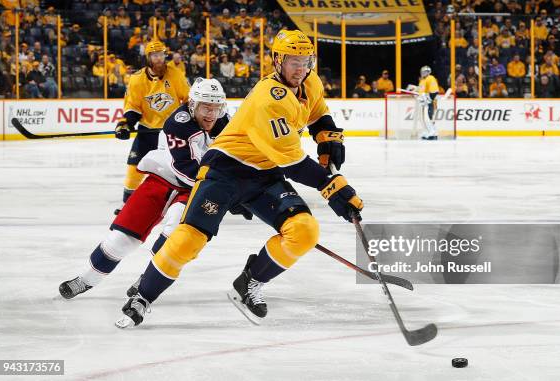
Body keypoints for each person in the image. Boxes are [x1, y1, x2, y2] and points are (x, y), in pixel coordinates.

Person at [116, 29, 362, 328]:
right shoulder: (267, 99)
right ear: (277, 61)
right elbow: (295, 163)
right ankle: (142, 295)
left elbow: (317, 112)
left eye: (306, 60)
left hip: (265, 173)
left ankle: (250, 282)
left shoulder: (309, 81)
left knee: (304, 232)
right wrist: (333, 186)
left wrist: (326, 134)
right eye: (293, 61)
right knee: (188, 241)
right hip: (226, 170)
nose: (301, 68)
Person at [59, 78, 229, 299]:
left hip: (195, 190)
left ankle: (147, 280)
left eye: (216, 108)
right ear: (193, 105)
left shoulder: (226, 122)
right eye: (207, 107)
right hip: (165, 179)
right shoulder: (178, 123)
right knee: (120, 239)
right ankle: (86, 279)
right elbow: (188, 169)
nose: (212, 114)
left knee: (175, 234)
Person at [114, 40, 190, 209]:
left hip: (172, 131)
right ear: (148, 57)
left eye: (161, 55)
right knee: (134, 166)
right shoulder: (137, 79)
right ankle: (127, 204)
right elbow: (133, 105)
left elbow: (187, 99)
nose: (159, 59)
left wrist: (185, 121)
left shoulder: (175, 74)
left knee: (176, 167)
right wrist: (126, 124)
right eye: (155, 55)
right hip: (147, 130)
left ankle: (178, 201)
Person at [407, 65, 439, 140]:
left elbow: (434, 91)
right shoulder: (422, 80)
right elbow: (421, 90)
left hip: (429, 102)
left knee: (428, 118)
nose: (423, 73)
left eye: (425, 71)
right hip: (423, 103)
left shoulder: (431, 78)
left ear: (428, 72)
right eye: (422, 71)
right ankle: (427, 131)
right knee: (422, 118)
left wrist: (429, 99)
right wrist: (414, 88)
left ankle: (433, 132)